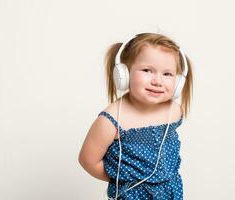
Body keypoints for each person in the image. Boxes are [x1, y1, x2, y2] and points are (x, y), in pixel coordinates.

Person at [78, 32, 193, 200]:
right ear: (123, 73)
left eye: (167, 74)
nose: (157, 81)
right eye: (147, 70)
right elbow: (88, 160)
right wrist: (123, 180)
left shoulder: (174, 111)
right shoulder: (111, 120)